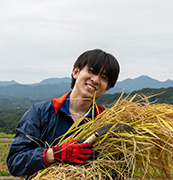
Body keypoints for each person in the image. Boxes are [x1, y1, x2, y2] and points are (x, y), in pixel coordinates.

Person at [7, 49, 120, 177]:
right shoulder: (41, 113)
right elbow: (15, 163)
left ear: (107, 88)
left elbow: (121, 169)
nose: (95, 80)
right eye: (91, 71)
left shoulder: (107, 123)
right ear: (75, 72)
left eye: (103, 78)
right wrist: (54, 154)